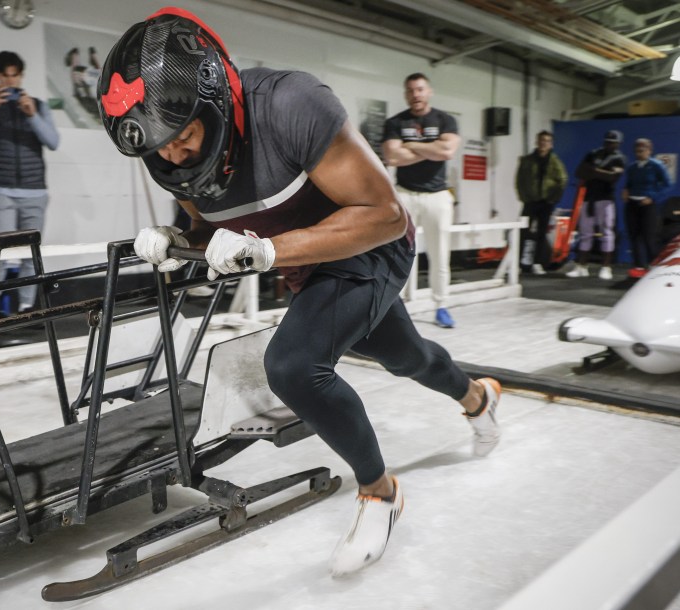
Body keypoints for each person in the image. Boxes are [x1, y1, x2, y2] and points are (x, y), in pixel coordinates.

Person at [97, 7, 502, 577]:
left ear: (213, 104)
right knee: (403, 356)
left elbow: (384, 215)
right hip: (308, 265)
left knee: (293, 364)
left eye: (183, 137)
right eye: (157, 148)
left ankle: (380, 493)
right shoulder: (172, 146)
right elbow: (209, 224)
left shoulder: (291, 105)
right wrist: (178, 239)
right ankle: (479, 397)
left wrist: (268, 252)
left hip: (370, 247)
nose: (173, 156)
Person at [0, 51, 60, 314]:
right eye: (5, 76)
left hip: (35, 190)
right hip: (1, 189)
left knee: (31, 252)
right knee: (2, 252)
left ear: (21, 75)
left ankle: (27, 307)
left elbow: (53, 142)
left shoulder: (38, 105)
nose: (10, 81)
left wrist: (32, 115)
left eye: (15, 76)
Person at [382, 73, 461, 328]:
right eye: (411, 90)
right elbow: (392, 157)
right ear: (406, 94)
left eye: (420, 89)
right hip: (405, 194)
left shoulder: (445, 120)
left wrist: (411, 146)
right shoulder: (396, 122)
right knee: (399, 252)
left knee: (440, 253)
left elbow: (447, 151)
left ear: (429, 91)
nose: (416, 94)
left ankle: (441, 306)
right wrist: (431, 148)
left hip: (438, 195)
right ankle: (396, 305)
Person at [567, 130, 626, 280]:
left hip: (606, 199)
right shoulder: (593, 153)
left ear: (618, 144)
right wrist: (602, 173)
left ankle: (606, 267)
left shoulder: (619, 158)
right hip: (589, 198)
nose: (610, 144)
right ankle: (581, 266)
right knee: (585, 233)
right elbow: (579, 172)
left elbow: (612, 178)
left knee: (606, 233)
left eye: (613, 142)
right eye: (607, 141)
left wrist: (592, 171)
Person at [515, 130, 568, 275]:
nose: (543, 143)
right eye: (541, 140)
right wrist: (524, 196)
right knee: (522, 232)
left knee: (541, 233)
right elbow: (519, 180)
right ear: (537, 142)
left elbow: (562, 180)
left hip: (546, 203)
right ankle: (519, 263)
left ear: (551, 144)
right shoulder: (527, 160)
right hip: (530, 202)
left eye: (546, 141)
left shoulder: (555, 161)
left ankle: (537, 263)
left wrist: (554, 198)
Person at [621, 138, 671, 277]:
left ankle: (653, 265)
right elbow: (628, 184)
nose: (639, 153)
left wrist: (653, 197)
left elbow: (667, 185)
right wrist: (625, 190)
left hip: (648, 205)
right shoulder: (632, 167)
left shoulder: (656, 165)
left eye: (642, 150)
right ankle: (638, 266)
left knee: (649, 237)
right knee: (634, 236)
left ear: (649, 150)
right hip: (632, 205)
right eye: (637, 150)